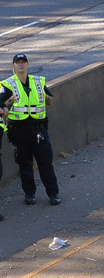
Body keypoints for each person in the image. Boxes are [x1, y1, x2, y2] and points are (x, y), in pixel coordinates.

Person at [1, 54, 61, 206]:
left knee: (46, 163)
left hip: (39, 129)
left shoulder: (37, 81)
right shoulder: (7, 85)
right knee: (24, 164)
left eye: (23, 62)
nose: (21, 65)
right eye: (18, 62)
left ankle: (53, 194)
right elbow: (2, 106)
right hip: (19, 131)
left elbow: (50, 99)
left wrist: (44, 98)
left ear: (28, 65)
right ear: (13, 66)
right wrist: (9, 102)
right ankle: (29, 194)